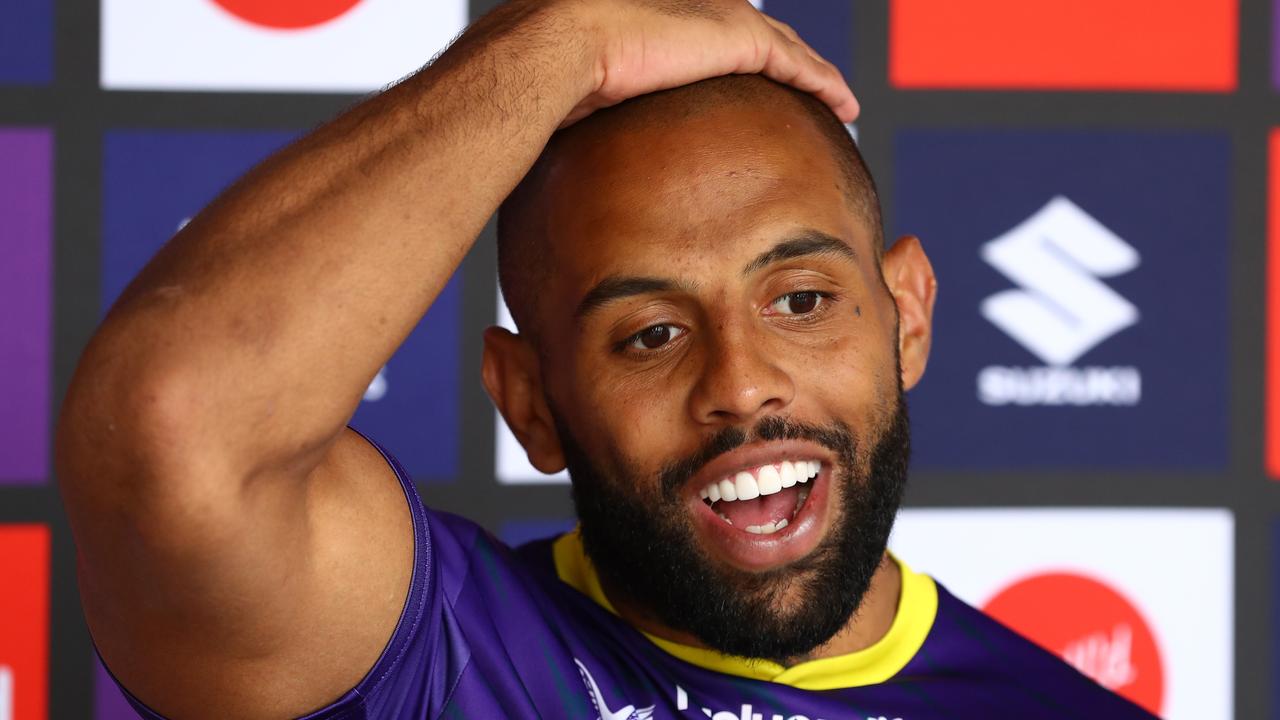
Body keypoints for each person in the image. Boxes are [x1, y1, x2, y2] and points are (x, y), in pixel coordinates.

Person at [57, 1, 1157, 718]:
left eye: (803, 299)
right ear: (529, 402)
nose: (738, 382)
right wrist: (556, 48)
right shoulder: (444, 659)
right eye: (650, 335)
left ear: (905, 316)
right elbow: (173, 433)